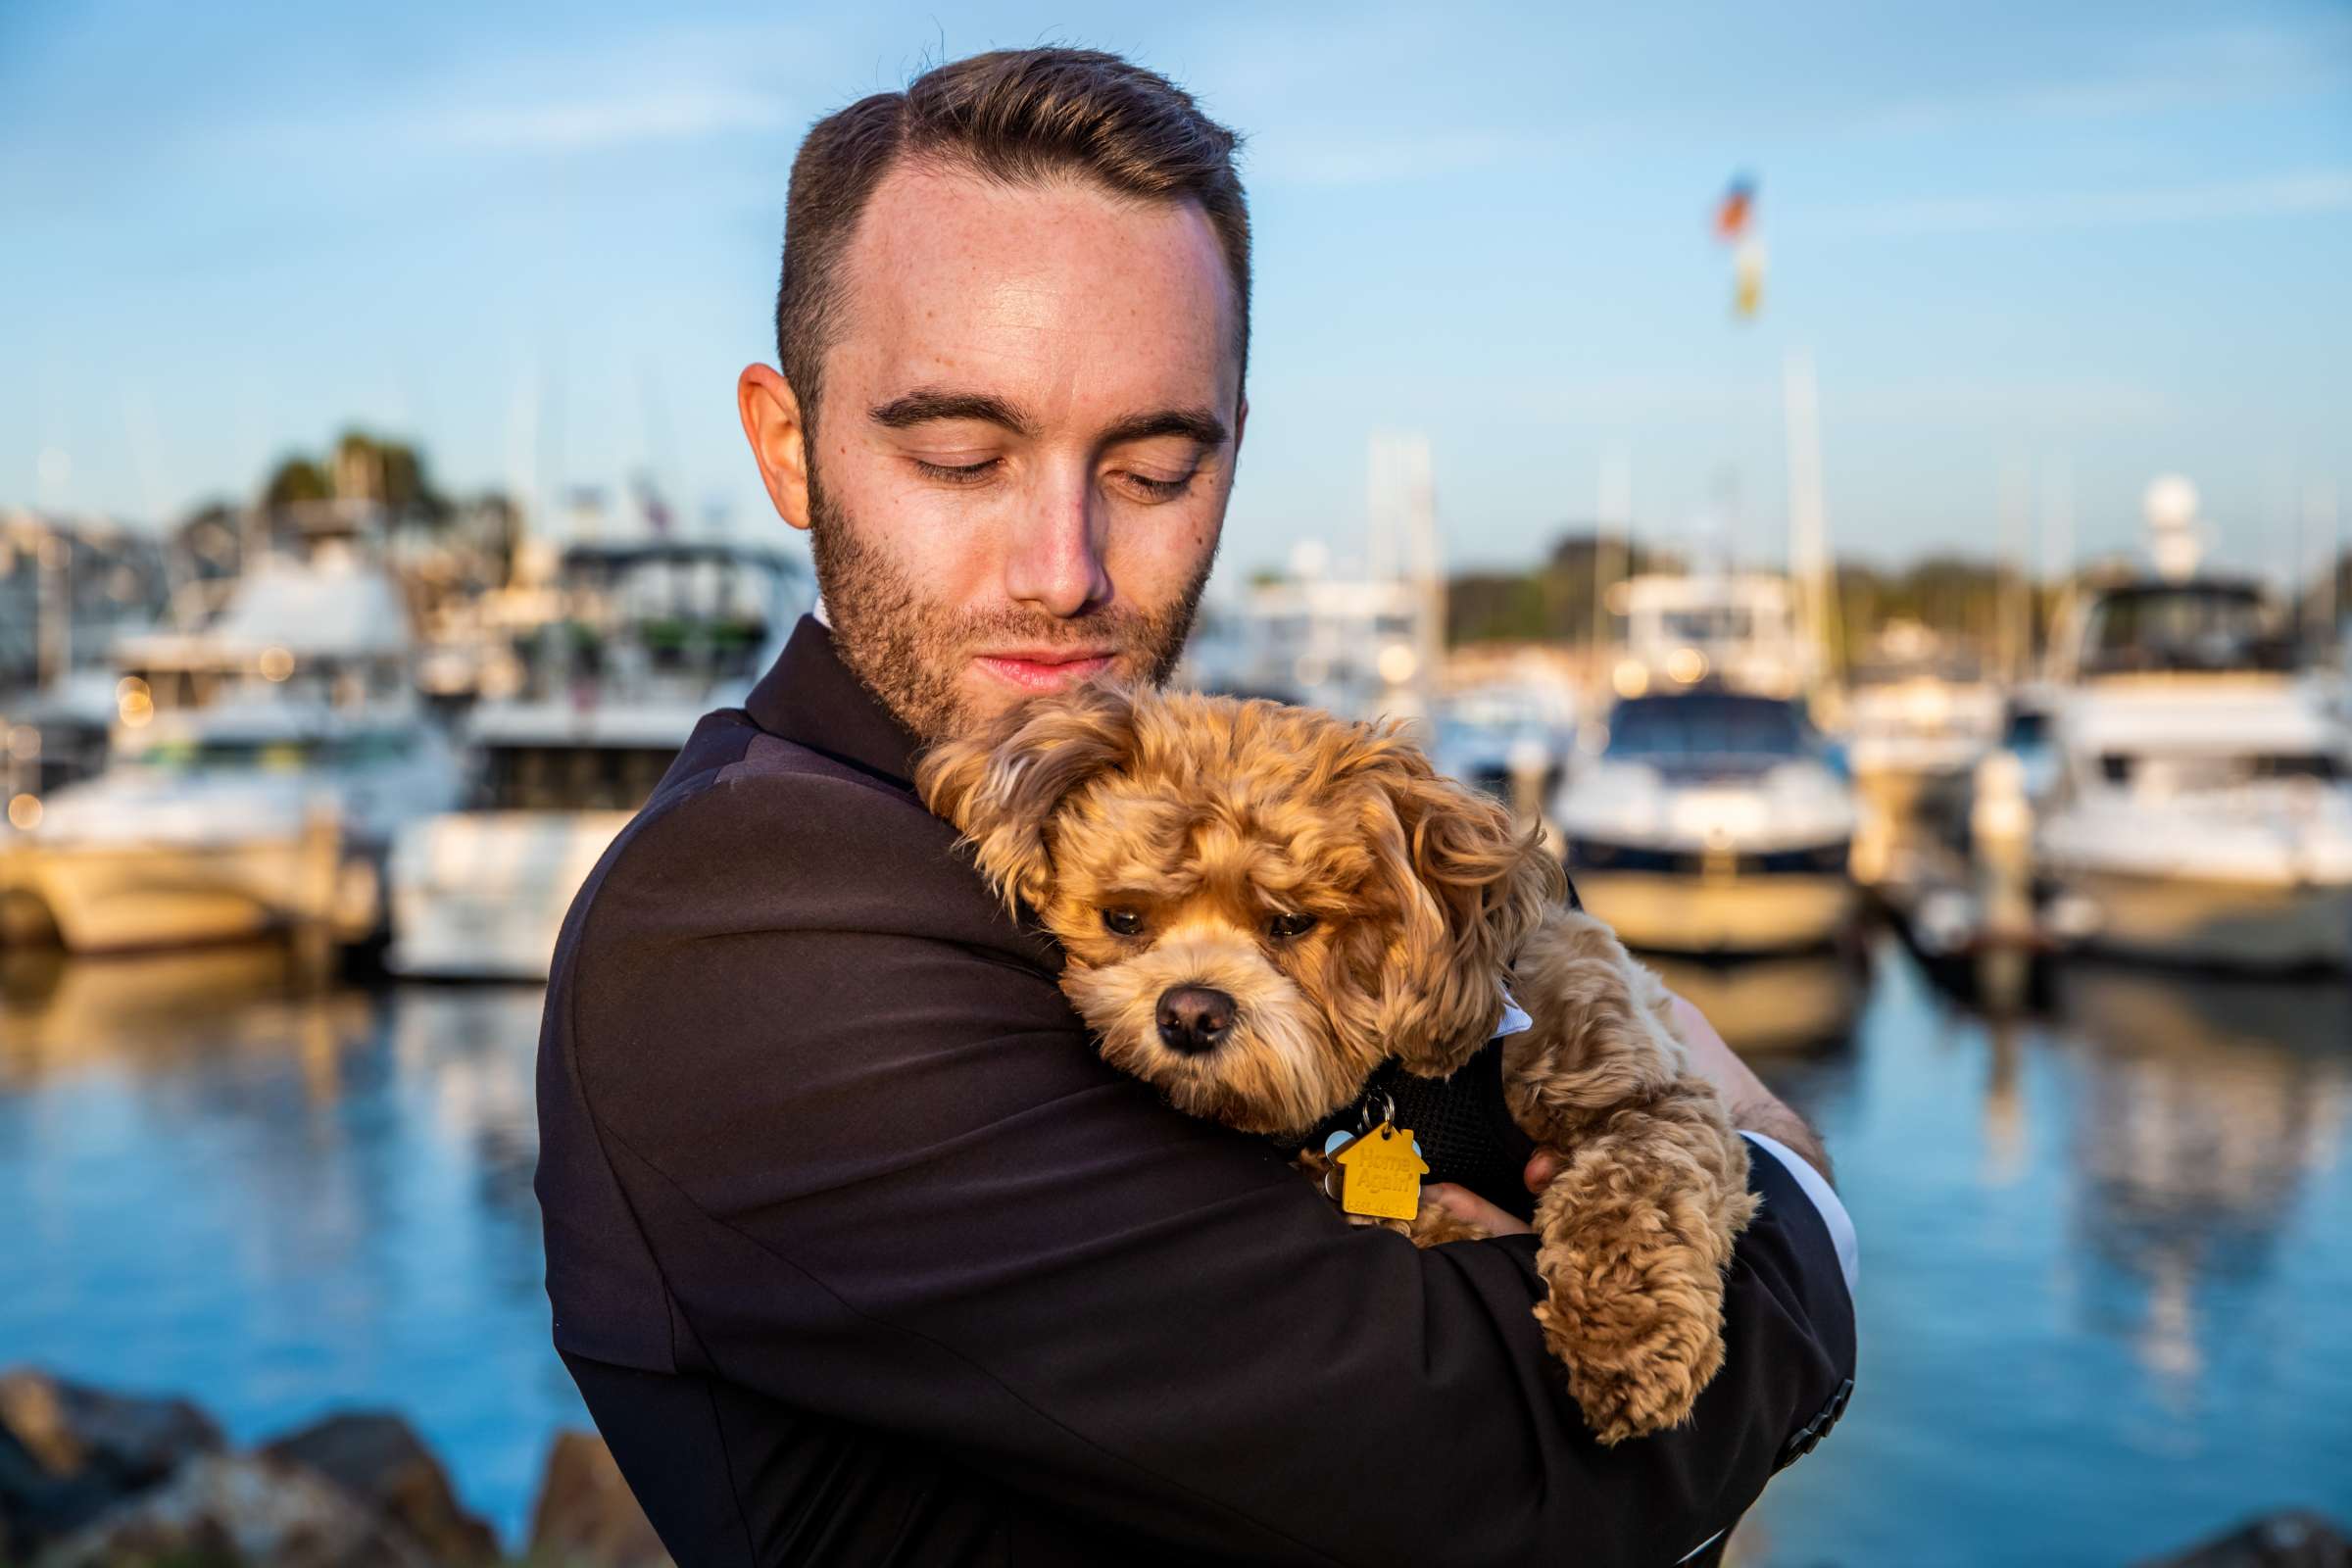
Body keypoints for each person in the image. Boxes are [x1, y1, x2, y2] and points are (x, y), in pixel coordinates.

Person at [535, 46, 1856, 1567]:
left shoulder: (1180, 810)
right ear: (788, 446)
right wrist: (1794, 1186)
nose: (1064, 566)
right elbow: (1493, 1472)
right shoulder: (738, 930)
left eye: (1157, 468)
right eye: (962, 456)